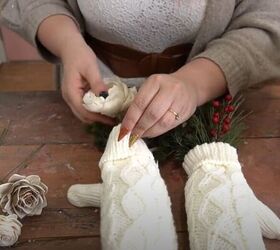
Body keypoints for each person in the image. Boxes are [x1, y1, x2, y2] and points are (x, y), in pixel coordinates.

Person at [1, 0, 280, 145]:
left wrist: (194, 83)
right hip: (85, 105)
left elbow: (268, 21)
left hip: (214, 111)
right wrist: (67, 41)